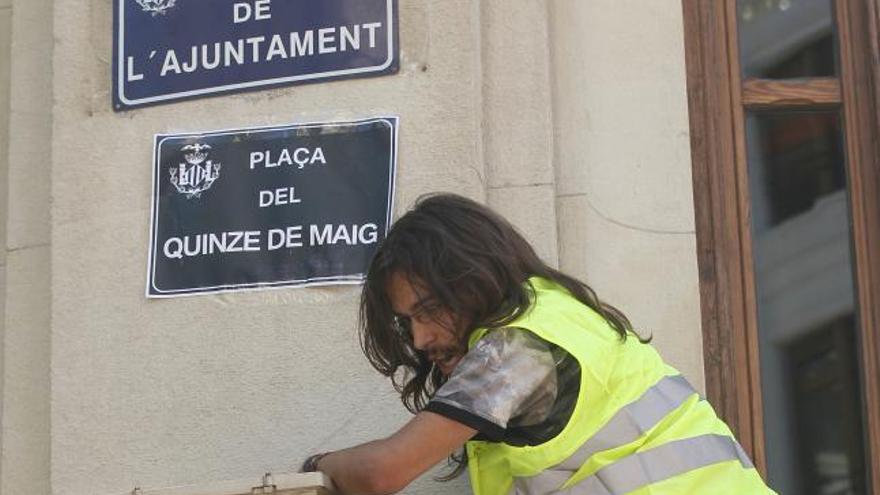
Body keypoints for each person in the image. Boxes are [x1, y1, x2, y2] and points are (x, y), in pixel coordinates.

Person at [301, 193, 774, 495]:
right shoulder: (554, 316)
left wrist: (315, 467)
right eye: (408, 322)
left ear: (471, 279)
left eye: (429, 311)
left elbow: (383, 473)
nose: (421, 339)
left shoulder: (519, 351)